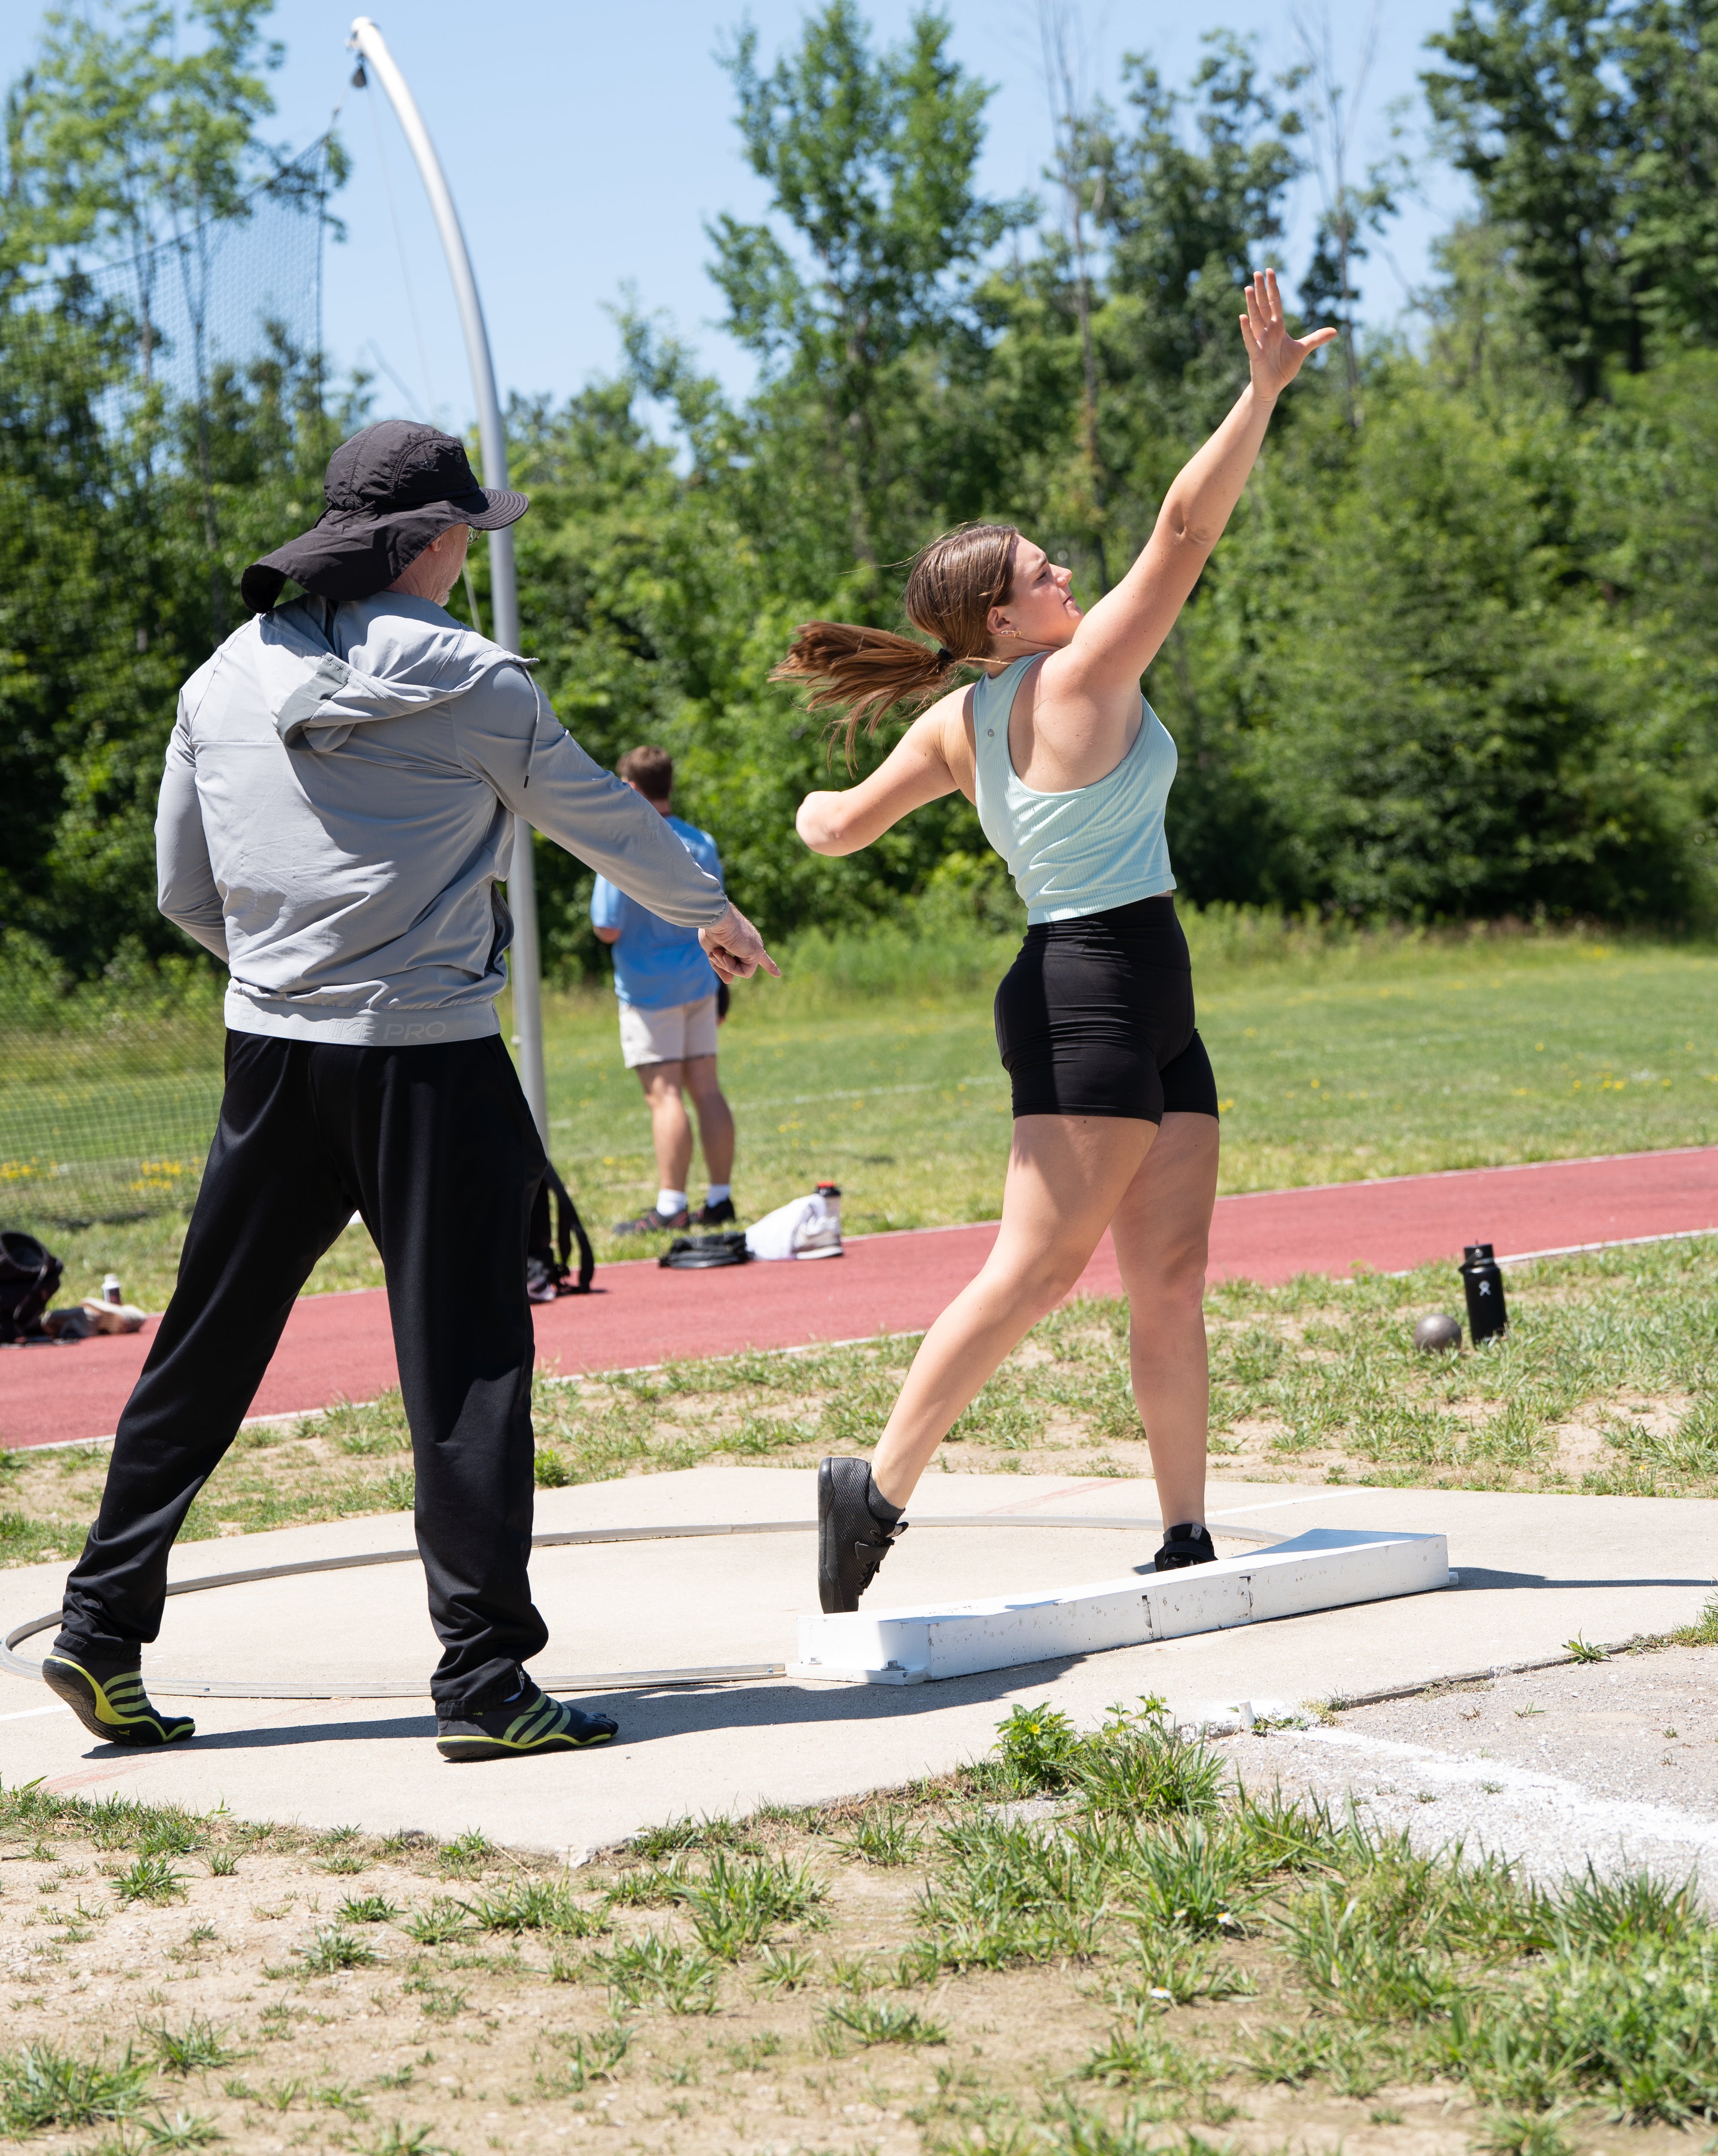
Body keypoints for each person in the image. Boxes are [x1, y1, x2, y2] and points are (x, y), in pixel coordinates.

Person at [45, 420, 775, 1763]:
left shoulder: (219, 679)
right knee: (469, 1359)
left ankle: (97, 1624)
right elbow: (601, 816)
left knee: (207, 1340)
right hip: (430, 1056)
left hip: (270, 1049)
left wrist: (281, 971)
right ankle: (487, 1678)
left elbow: (180, 890)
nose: (467, 555)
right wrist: (711, 912)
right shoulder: (477, 680)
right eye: (465, 536)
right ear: (430, 543)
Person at [774, 272, 1333, 1612]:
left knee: (1172, 1274)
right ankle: (876, 1490)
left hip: (1148, 986)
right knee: (1032, 1268)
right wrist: (1257, 393)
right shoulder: (1077, 677)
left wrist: (802, 815)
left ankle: (1187, 1526)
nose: (1064, 570)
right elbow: (1186, 524)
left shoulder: (957, 724)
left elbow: (837, 829)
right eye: (1039, 571)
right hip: (1083, 985)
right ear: (1001, 624)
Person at [592, 745, 739, 1233]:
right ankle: (719, 1200)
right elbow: (719, 915)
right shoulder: (702, 841)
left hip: (647, 990)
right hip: (700, 981)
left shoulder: (623, 842)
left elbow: (606, 927)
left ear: (631, 788)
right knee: (708, 1090)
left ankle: (672, 1205)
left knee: (665, 1096)